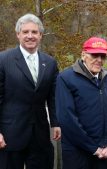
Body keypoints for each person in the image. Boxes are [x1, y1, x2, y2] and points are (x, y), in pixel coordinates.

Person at [0, 13, 61, 169]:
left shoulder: (50, 63)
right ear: (18, 34)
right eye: (25, 32)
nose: (30, 36)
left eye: (34, 32)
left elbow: (53, 97)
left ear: (41, 35)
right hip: (10, 135)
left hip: (40, 135)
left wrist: (55, 123)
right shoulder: (3, 60)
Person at [55, 37, 107, 169]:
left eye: (102, 56)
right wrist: (93, 148)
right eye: (94, 55)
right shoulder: (66, 78)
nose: (99, 60)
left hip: (104, 153)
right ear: (83, 54)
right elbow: (67, 119)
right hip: (77, 154)